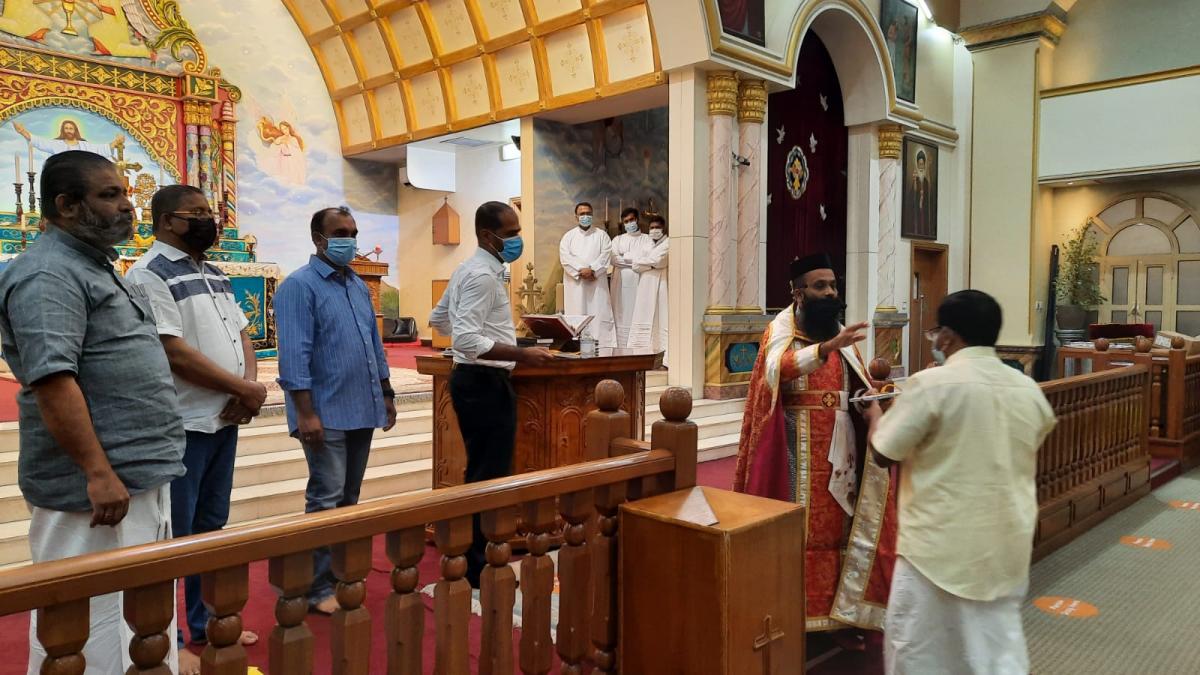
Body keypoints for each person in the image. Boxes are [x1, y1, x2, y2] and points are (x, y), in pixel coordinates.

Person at [0, 151, 185, 673]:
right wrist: (97, 471)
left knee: (139, 614)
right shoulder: (47, 273)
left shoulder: (93, 265)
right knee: (86, 625)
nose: (128, 205)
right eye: (110, 195)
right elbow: (53, 380)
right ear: (65, 205)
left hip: (135, 474)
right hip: (95, 489)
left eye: (125, 193)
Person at [867, 290, 1056, 674]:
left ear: (947, 336)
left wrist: (874, 414)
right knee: (996, 652)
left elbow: (884, 453)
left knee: (919, 653)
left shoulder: (931, 385)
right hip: (1005, 543)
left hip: (935, 549)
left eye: (935, 333)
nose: (935, 342)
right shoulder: (1027, 389)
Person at [125, 185, 265, 673]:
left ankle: (205, 623)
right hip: (183, 424)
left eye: (210, 211)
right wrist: (241, 389)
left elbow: (242, 333)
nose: (209, 219)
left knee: (210, 527)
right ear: (167, 221)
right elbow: (172, 351)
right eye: (198, 213)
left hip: (224, 418)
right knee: (174, 536)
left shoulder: (215, 271)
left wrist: (247, 387)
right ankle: (171, 637)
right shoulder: (149, 274)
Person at [732, 252, 897, 641]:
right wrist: (824, 349)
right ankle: (795, 613)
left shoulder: (839, 335)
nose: (830, 292)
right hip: (794, 449)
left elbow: (855, 385)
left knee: (840, 529)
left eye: (833, 285)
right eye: (819, 286)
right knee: (802, 532)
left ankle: (840, 614)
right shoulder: (780, 329)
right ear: (798, 293)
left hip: (843, 452)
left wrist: (871, 399)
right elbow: (777, 370)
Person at [274, 206, 397, 615]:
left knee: (349, 497)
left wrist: (386, 392)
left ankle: (340, 574)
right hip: (323, 411)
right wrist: (305, 413)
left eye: (353, 233)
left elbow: (374, 344)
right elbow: (294, 354)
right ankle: (314, 588)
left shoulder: (357, 285)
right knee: (325, 497)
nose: (350, 240)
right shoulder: (299, 286)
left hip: (361, 404)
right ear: (318, 238)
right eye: (341, 233)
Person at [430, 201, 555, 587]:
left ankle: (474, 557)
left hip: (475, 378)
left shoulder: (470, 268)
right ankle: (478, 565)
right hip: (484, 381)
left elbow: (439, 319)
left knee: (482, 470)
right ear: (488, 235)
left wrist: (493, 338)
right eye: (511, 233)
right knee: (489, 475)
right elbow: (465, 339)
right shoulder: (482, 276)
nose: (518, 239)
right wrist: (522, 354)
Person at [559, 201, 616, 347]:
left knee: (599, 315)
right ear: (576, 216)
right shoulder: (568, 237)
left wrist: (593, 270)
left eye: (588, 213)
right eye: (582, 214)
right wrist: (582, 270)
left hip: (597, 284)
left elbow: (606, 256)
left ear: (592, 215)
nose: (585, 216)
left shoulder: (602, 235)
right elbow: (565, 258)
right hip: (576, 286)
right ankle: (577, 349)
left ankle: (603, 350)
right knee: (577, 315)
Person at [627, 215, 668, 361]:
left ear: (664, 228)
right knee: (643, 316)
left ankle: (663, 358)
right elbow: (635, 265)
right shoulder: (646, 244)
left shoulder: (668, 243)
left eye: (657, 227)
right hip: (644, 286)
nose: (654, 230)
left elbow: (660, 261)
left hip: (661, 284)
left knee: (660, 319)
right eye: (652, 228)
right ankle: (641, 356)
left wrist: (646, 263)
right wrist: (651, 265)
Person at [609, 207, 652, 347]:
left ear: (637, 219)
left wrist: (625, 257)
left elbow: (648, 260)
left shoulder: (647, 239)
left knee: (638, 313)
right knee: (621, 315)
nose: (629, 223)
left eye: (631, 220)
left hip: (640, 284)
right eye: (626, 221)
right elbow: (614, 259)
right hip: (620, 286)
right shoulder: (618, 240)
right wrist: (636, 261)